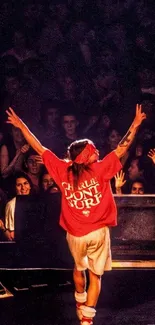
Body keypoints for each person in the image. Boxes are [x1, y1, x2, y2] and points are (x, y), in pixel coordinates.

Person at [6, 104, 146, 325]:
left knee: (79, 268)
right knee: (95, 276)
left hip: (75, 234)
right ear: (86, 155)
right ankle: (87, 319)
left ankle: (80, 301)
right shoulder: (100, 169)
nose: (98, 151)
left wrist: (21, 125)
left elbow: (38, 146)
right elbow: (122, 147)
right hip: (98, 232)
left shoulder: (62, 169)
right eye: (94, 150)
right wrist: (136, 124)